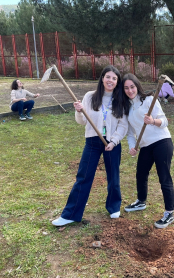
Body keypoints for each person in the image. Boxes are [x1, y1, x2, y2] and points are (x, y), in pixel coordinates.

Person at [51, 65, 128, 226]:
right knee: (84, 176)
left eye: (114, 78)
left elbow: (123, 125)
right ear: (102, 78)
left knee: (113, 177)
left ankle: (114, 206)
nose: (111, 80)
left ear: (117, 81)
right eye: (108, 77)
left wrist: (113, 142)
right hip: (93, 141)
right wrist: (79, 111)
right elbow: (82, 121)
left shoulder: (121, 99)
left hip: (112, 143)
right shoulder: (90, 96)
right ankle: (71, 214)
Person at [122, 73, 174, 229]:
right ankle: (141, 201)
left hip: (161, 142)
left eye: (132, 87)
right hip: (145, 145)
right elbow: (130, 132)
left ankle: (169, 213)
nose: (130, 90)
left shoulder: (149, 100)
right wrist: (132, 146)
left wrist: (152, 121)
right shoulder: (128, 107)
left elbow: (164, 121)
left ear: (137, 86)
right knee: (141, 173)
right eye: (126, 88)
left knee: (164, 177)